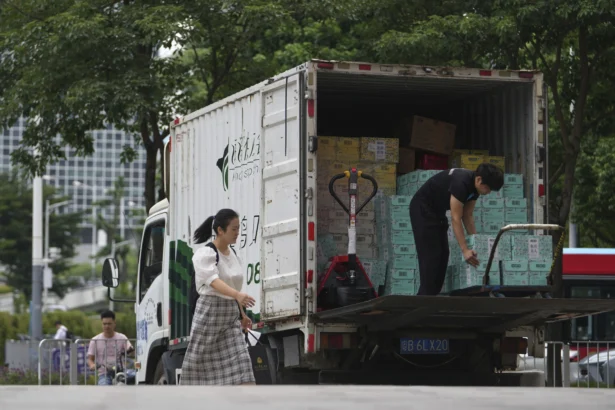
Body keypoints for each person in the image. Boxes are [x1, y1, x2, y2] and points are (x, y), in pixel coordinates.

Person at [180, 209, 256, 385]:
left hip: (230, 319)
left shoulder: (234, 255)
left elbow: (234, 288)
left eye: (239, 229)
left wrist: (242, 316)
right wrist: (237, 295)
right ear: (220, 230)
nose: (238, 233)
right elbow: (212, 281)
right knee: (198, 369)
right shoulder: (205, 254)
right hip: (209, 315)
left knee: (243, 365)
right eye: (234, 229)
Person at [410, 163, 504, 295]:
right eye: (488, 188)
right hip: (422, 210)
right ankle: (422, 301)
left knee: (443, 255)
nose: (488, 193)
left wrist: (476, 243)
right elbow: (456, 218)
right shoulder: (461, 182)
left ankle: (430, 299)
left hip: (437, 213)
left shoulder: (475, 188)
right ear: (479, 179)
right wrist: (465, 250)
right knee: (431, 258)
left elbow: (468, 215)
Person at [87, 310, 135, 385]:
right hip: (104, 373)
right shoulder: (95, 340)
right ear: (101, 324)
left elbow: (130, 349)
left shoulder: (122, 337)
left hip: (121, 371)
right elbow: (90, 359)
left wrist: (131, 350)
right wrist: (92, 365)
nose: (107, 326)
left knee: (136, 377)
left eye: (109, 324)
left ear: (114, 324)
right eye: (104, 324)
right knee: (104, 386)